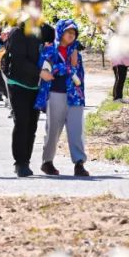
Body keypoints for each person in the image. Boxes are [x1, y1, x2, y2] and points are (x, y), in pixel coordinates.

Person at [4, 0, 51, 177]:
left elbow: (60, 39)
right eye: (34, 5)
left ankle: (27, 160)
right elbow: (19, 61)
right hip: (18, 83)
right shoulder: (18, 31)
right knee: (22, 121)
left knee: (32, 124)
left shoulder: (43, 30)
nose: (38, 8)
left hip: (35, 85)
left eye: (40, 4)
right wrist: (40, 72)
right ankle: (20, 162)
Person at [37, 19, 90, 178]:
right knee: (53, 130)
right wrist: (62, 67)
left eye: (74, 33)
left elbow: (79, 75)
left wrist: (73, 64)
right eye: (68, 32)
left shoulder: (76, 52)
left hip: (74, 95)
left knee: (76, 130)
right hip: (55, 93)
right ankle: (47, 161)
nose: (71, 35)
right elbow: (44, 70)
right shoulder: (49, 50)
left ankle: (79, 163)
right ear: (60, 32)